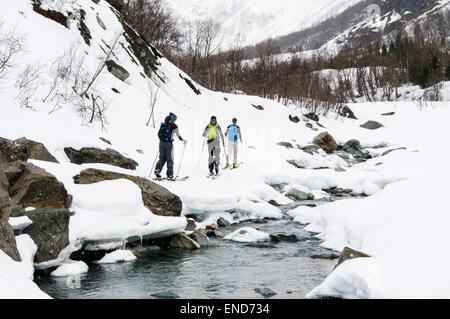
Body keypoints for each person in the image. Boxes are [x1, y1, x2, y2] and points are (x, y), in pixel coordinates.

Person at [155, 113, 187, 180]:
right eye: (175, 120)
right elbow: (178, 136)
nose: (175, 121)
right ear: (173, 119)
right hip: (169, 144)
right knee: (170, 159)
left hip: (161, 143)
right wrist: (183, 140)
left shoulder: (164, 124)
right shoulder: (174, 126)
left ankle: (157, 169)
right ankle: (170, 175)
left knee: (162, 158)